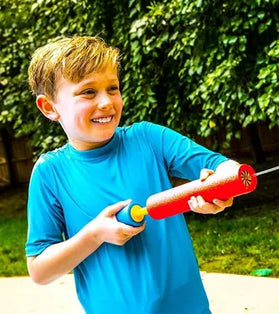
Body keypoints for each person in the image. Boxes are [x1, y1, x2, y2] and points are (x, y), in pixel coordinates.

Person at [25, 36, 239, 314]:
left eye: (112, 88)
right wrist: (94, 234)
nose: (106, 102)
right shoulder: (50, 173)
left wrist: (222, 186)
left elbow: (223, 167)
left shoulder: (148, 138)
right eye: (88, 92)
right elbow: (39, 270)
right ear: (49, 107)